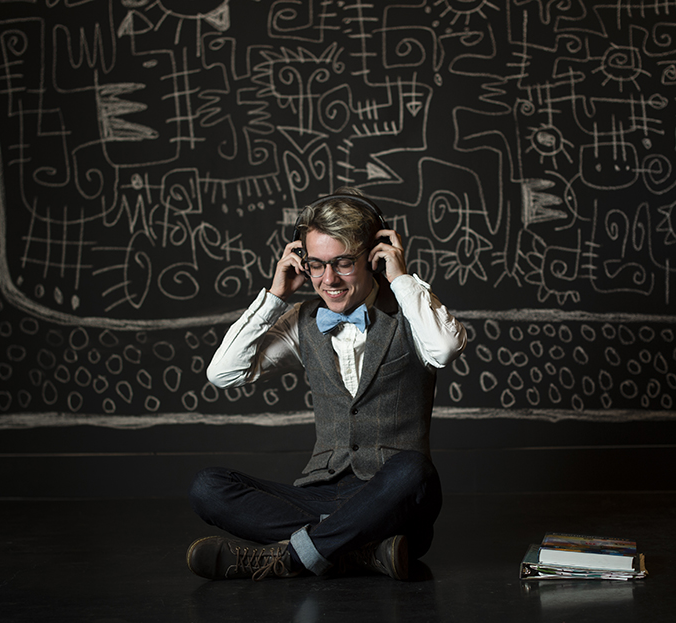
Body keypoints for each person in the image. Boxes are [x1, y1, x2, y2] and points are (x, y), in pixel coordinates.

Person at [187, 188, 467, 581]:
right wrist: (275, 296)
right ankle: (356, 552)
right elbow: (223, 373)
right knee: (208, 487)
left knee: (413, 470)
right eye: (316, 265)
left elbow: (445, 348)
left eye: (343, 263)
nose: (328, 279)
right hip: (320, 493)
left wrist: (400, 278)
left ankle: (290, 558)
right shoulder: (302, 320)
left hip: (393, 499)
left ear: (374, 256)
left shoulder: (411, 312)